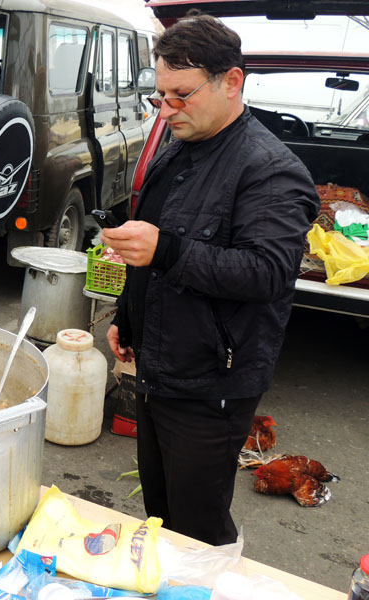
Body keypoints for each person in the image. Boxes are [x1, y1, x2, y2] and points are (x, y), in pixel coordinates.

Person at [102, 13, 320, 546]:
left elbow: (268, 272)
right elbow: (152, 251)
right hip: (160, 366)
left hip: (211, 383)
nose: (167, 109)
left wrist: (165, 249)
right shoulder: (180, 146)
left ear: (232, 82)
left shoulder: (270, 170)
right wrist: (126, 317)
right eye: (161, 96)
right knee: (161, 512)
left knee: (198, 529)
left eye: (181, 95)